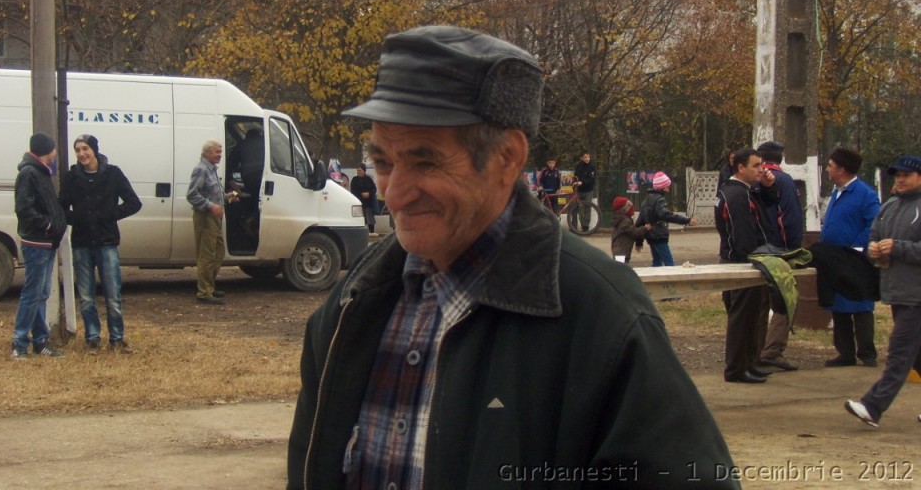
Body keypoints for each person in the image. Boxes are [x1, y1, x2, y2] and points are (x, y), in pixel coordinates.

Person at [288, 25, 739, 489]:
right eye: (383, 162)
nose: (395, 194)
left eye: (425, 162)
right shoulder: (352, 303)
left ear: (506, 158)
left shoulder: (602, 317)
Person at [844, 154, 921, 429]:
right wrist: (873, 251)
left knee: (900, 353)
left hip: (917, 296)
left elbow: (902, 248)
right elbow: (873, 238)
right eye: (897, 175)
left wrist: (898, 248)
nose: (900, 179)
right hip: (898, 291)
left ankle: (872, 407)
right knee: (916, 356)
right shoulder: (889, 206)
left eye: (906, 175)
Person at [59, 135, 142, 353]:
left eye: (85, 149)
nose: (81, 154)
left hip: (106, 241)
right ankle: (92, 339)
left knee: (113, 295)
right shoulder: (71, 177)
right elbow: (61, 208)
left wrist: (111, 215)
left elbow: (134, 203)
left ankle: (117, 339)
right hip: (82, 242)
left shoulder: (113, 174)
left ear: (94, 150)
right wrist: (77, 218)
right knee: (86, 297)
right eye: (77, 150)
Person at [715, 147, 778, 383]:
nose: (761, 169)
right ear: (740, 168)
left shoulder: (744, 191)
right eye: (756, 165)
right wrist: (753, 258)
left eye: (762, 164)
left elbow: (769, 207)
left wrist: (768, 187)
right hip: (741, 264)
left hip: (745, 261)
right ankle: (736, 369)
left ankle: (749, 363)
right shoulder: (737, 194)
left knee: (751, 317)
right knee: (741, 318)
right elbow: (742, 234)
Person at [820, 147, 881, 368]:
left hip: (855, 259)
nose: (827, 169)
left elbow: (874, 222)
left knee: (860, 303)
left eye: (830, 166)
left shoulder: (865, 194)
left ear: (842, 169)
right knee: (839, 304)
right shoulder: (837, 192)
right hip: (834, 258)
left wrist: (856, 246)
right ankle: (845, 353)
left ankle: (867, 353)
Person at [11, 132, 67, 360]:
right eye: (53, 149)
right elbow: (24, 208)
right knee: (32, 293)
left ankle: (40, 341)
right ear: (47, 150)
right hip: (37, 241)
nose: (55, 153)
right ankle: (19, 343)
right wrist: (47, 225)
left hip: (46, 242)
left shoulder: (41, 172)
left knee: (41, 293)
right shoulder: (30, 173)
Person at [754, 140, 804, 373]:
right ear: (780, 158)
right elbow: (790, 218)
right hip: (778, 249)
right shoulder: (783, 180)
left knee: (758, 300)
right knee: (783, 300)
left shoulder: (750, 180)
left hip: (754, 250)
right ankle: (772, 350)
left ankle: (754, 349)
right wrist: (793, 247)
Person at [187, 140, 237, 305]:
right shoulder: (201, 170)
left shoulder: (212, 170)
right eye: (217, 152)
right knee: (206, 255)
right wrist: (211, 207)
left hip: (215, 218)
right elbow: (192, 195)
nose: (220, 155)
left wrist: (227, 197)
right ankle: (204, 292)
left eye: (220, 152)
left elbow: (212, 193)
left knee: (219, 252)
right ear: (207, 153)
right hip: (205, 217)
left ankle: (209, 285)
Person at [637, 171, 696, 267]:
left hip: (650, 236)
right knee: (669, 263)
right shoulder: (659, 199)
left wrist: (639, 242)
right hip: (659, 235)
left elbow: (640, 221)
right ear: (662, 187)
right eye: (667, 187)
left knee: (657, 263)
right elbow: (666, 215)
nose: (668, 190)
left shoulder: (646, 199)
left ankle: (653, 276)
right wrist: (687, 220)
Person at [611, 196, 649, 263]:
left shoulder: (619, 219)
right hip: (622, 252)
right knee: (622, 268)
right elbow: (634, 232)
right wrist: (644, 228)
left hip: (618, 251)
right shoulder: (625, 221)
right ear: (625, 210)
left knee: (620, 267)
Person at [350, 164, 379, 233]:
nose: (358, 172)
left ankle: (371, 232)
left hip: (368, 203)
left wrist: (369, 193)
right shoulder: (354, 180)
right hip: (359, 203)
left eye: (360, 170)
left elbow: (374, 189)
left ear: (364, 171)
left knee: (370, 219)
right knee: (360, 220)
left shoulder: (368, 179)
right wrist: (361, 194)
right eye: (357, 170)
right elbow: (353, 190)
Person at [572, 151, 596, 232]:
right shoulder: (578, 166)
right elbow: (575, 176)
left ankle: (586, 227)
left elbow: (591, 179)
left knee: (587, 208)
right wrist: (574, 181)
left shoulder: (592, 167)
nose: (587, 159)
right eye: (585, 157)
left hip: (588, 191)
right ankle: (574, 226)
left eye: (588, 157)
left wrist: (582, 182)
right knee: (576, 208)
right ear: (581, 158)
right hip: (579, 190)